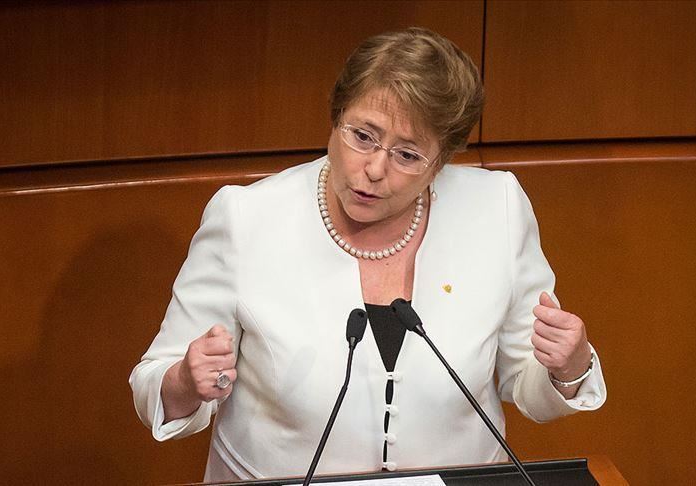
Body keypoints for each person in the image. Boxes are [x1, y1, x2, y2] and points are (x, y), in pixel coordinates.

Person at [130, 27, 606, 482]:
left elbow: (526, 384)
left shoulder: (496, 207)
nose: (375, 168)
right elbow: (153, 385)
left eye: (407, 155)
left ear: (441, 162)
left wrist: (567, 369)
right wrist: (185, 382)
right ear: (336, 117)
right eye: (362, 136)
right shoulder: (246, 218)